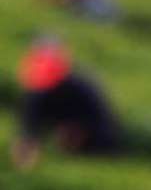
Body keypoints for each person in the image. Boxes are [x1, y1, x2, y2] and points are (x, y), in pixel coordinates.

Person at [12, 40, 121, 169]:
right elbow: (30, 122)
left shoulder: (82, 88)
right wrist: (27, 142)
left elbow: (103, 121)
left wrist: (77, 131)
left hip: (95, 142)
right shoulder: (36, 90)